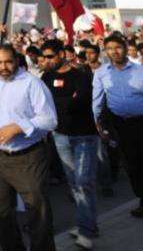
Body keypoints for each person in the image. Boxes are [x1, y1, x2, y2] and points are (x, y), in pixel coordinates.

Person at [0, 44, 58, 251]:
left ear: (17, 61)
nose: (4, 67)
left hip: (28, 158)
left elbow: (50, 120)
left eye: (8, 62)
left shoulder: (32, 84)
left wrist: (19, 127)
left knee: (38, 215)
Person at [92, 34, 143, 227]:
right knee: (133, 166)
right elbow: (97, 100)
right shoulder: (102, 73)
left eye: (118, 47)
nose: (115, 51)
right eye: (110, 48)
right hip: (120, 125)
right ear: (106, 51)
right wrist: (97, 122)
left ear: (125, 48)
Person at [40, 39, 99, 248]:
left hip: (84, 135)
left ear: (61, 55)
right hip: (60, 135)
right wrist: (66, 101)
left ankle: (86, 230)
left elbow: (80, 102)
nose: (45, 60)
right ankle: (88, 223)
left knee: (84, 183)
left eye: (50, 56)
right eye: (44, 56)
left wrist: (61, 102)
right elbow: (44, 105)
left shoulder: (80, 76)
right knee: (74, 183)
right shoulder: (45, 78)